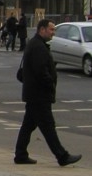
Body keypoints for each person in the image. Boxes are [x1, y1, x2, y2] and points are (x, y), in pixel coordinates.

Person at [14, 18, 82, 167]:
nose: (53, 33)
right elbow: (41, 71)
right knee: (48, 127)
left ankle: (20, 154)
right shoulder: (38, 47)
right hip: (39, 95)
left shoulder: (35, 44)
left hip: (34, 94)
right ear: (42, 29)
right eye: (51, 30)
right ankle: (62, 156)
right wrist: (50, 85)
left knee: (28, 125)